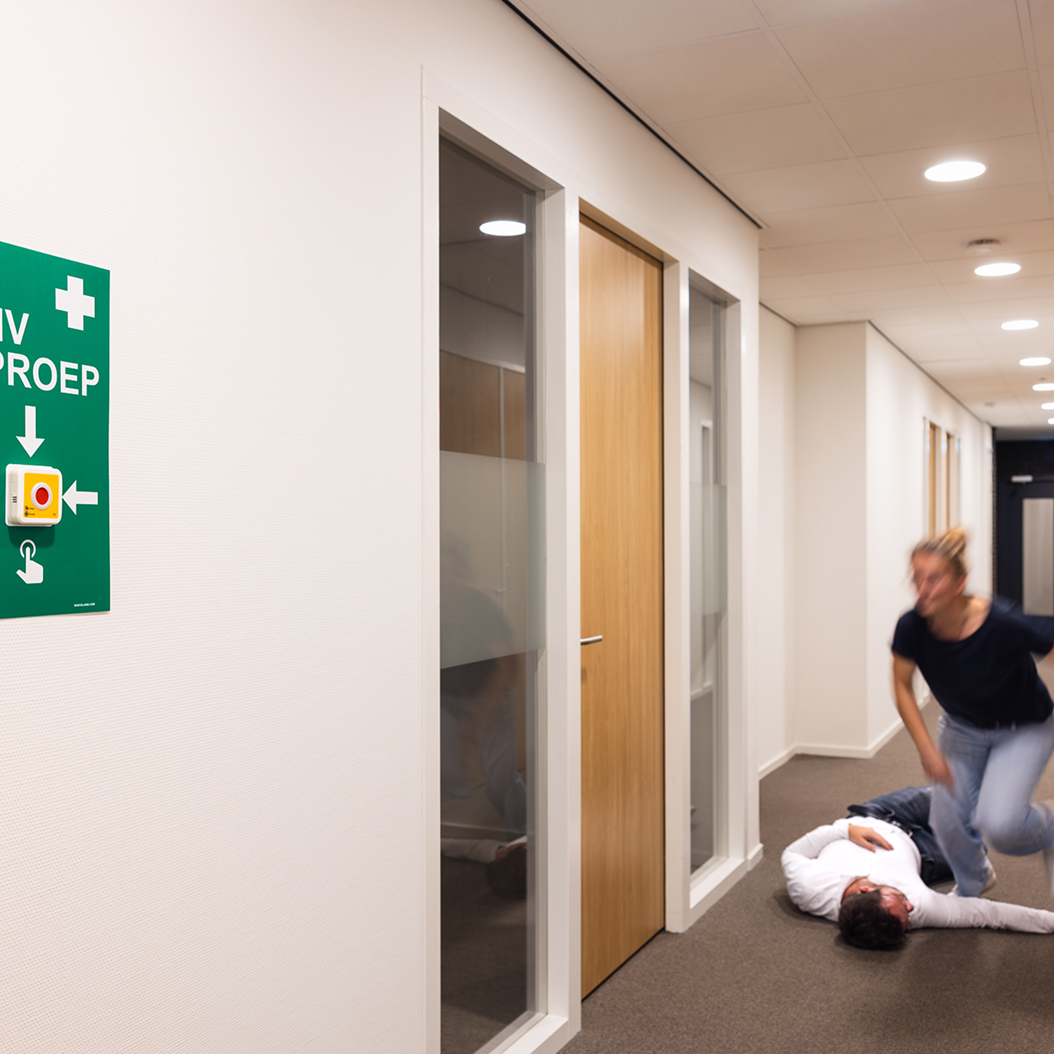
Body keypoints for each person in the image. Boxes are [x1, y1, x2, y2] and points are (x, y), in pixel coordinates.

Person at [891, 528, 1054, 898]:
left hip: (1025, 726)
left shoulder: (1002, 622)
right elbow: (901, 685)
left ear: (960, 581)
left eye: (935, 578)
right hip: (962, 727)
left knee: (1002, 827)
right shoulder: (911, 626)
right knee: (947, 824)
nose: (923, 589)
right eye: (917, 578)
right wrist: (926, 749)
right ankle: (974, 882)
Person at [782, 786, 1054, 949]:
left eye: (901, 900)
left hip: (881, 813)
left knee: (955, 795)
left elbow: (792, 853)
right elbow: (988, 913)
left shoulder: (809, 889)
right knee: (975, 843)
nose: (910, 906)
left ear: (865, 889)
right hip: (925, 852)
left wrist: (846, 829)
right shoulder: (917, 909)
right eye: (907, 918)